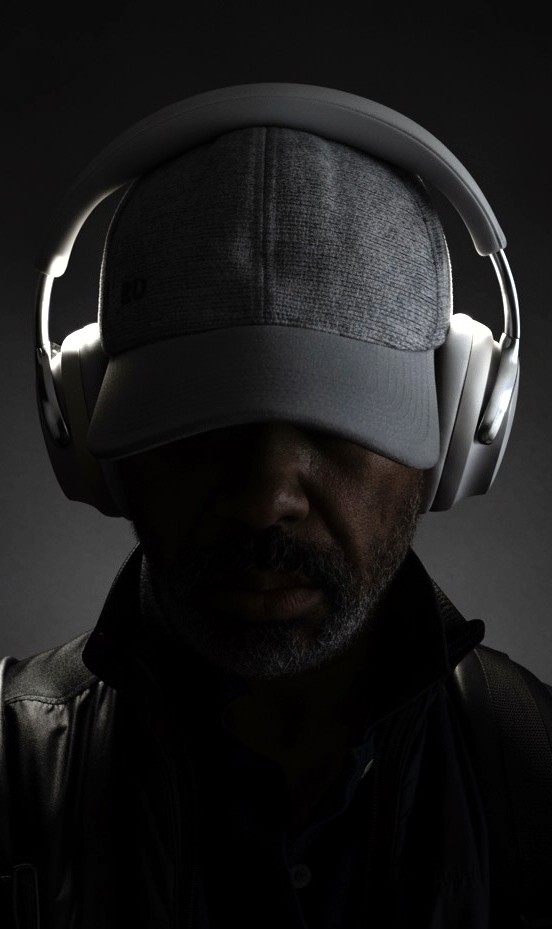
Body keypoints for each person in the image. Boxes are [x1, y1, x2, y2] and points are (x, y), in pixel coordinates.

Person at [1, 83, 550, 929]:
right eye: (201, 428)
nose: (265, 499)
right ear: (83, 429)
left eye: (336, 427)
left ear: (464, 424)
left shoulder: (541, 773)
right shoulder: (8, 772)